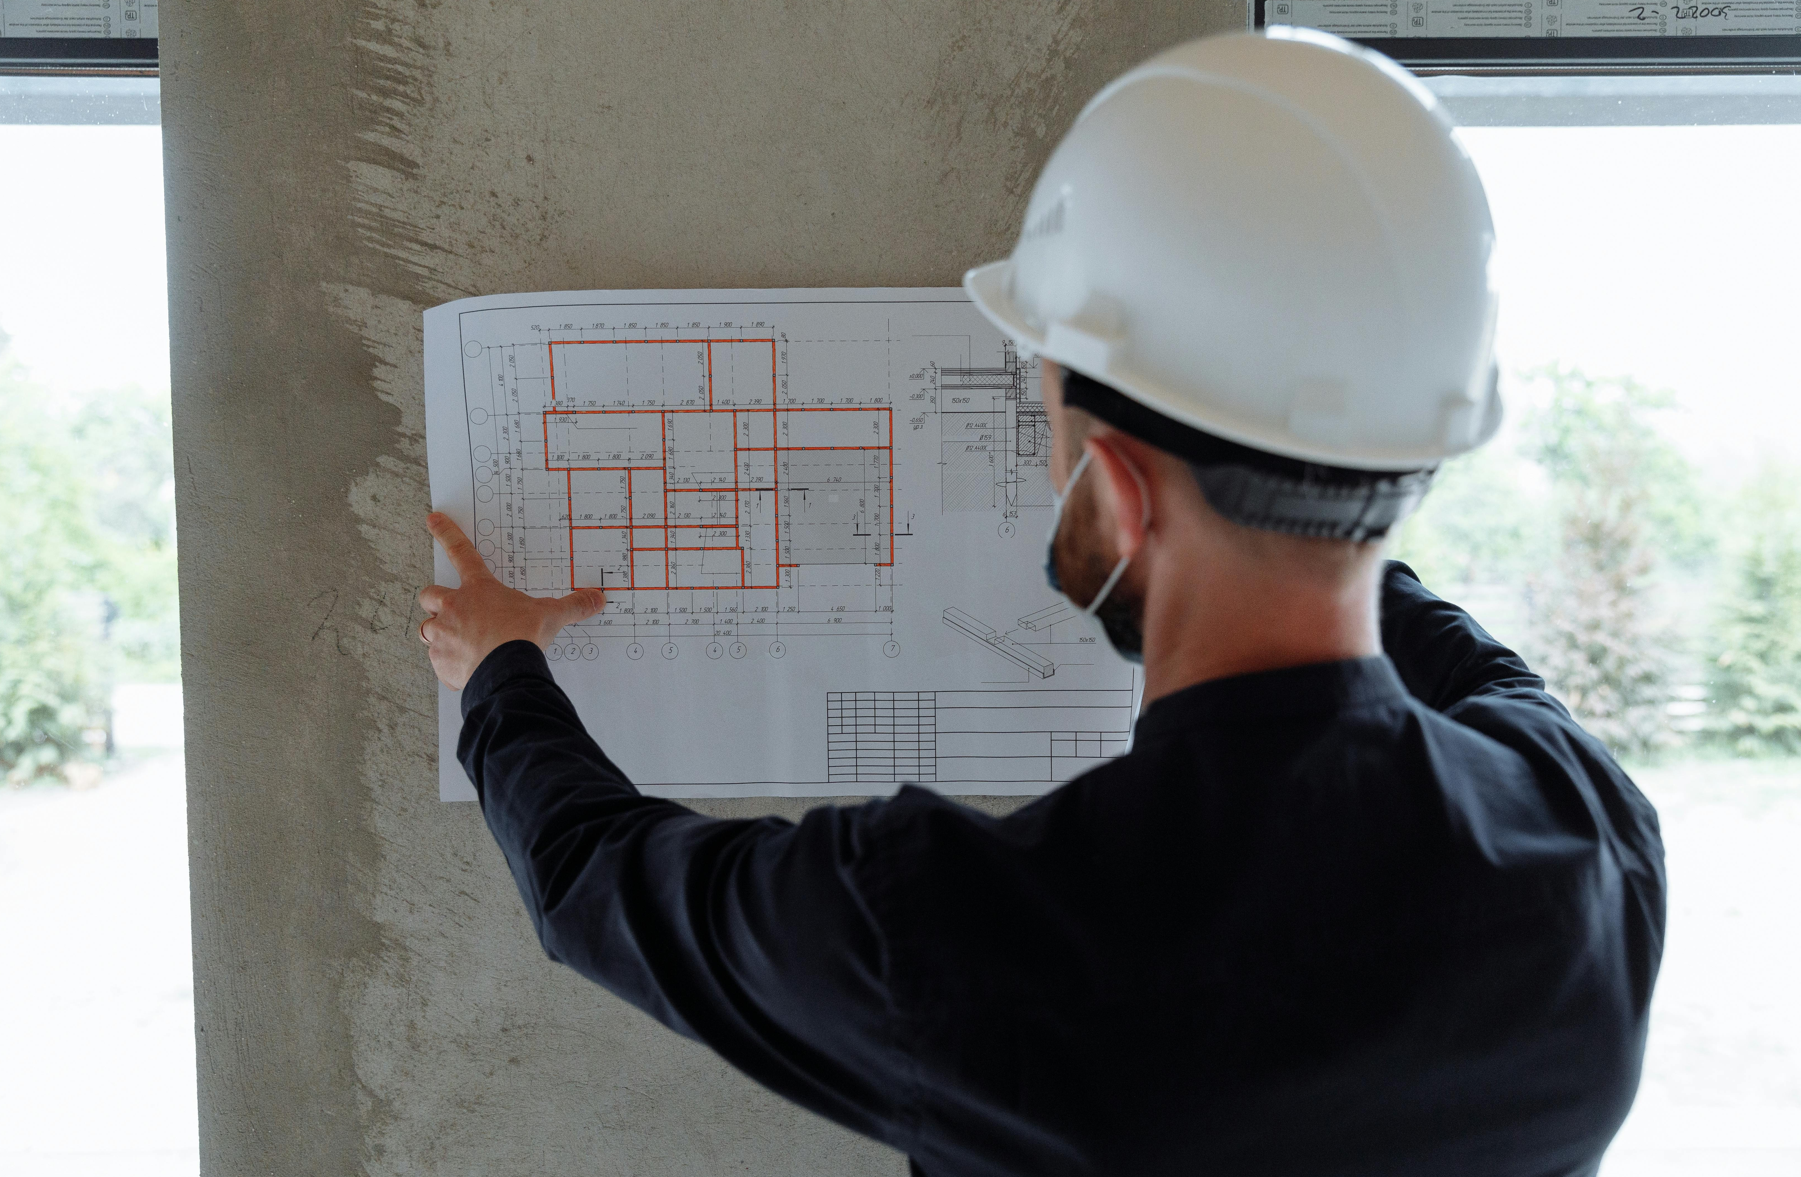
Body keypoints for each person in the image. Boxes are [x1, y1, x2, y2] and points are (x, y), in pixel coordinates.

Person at [417, 29, 1664, 1177]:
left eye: (1053, 420)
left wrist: (500, 663)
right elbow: (1477, 673)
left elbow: (599, 882)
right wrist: (1309, 514)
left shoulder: (964, 934)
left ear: (1119, 493)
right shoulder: (1584, 838)